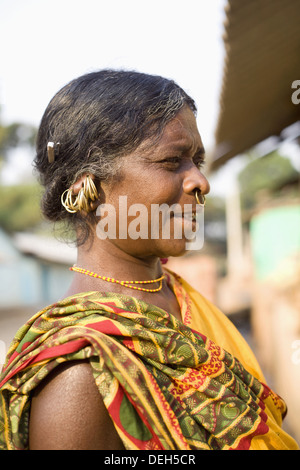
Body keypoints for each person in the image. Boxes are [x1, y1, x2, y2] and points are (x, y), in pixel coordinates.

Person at [0, 70, 298, 451]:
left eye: (197, 161)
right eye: (173, 161)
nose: (201, 182)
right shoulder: (80, 373)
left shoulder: (180, 298)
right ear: (87, 188)